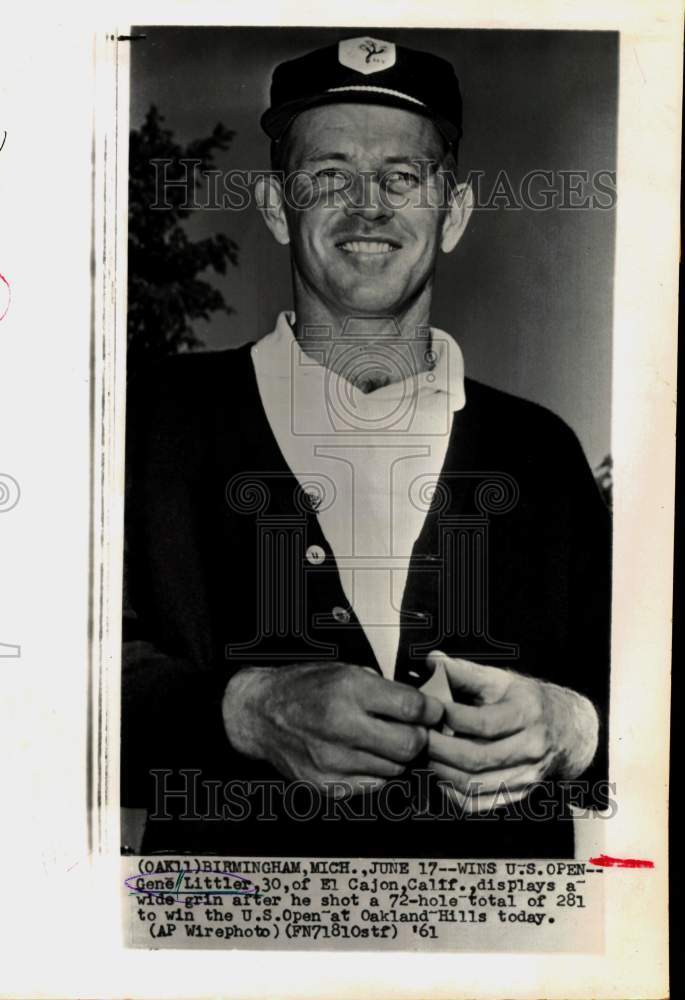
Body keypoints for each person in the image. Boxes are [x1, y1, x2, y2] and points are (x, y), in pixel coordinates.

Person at [122, 36, 611, 857]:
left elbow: (642, 697)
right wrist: (240, 710)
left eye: (400, 177)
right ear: (277, 206)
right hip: (230, 953)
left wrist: (577, 727)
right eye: (329, 175)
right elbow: (22, 682)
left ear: (450, 214)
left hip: (503, 964)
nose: (367, 206)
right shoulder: (148, 422)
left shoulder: (543, 454)